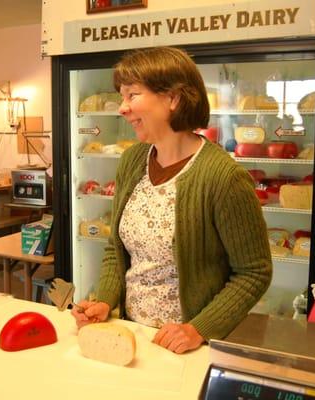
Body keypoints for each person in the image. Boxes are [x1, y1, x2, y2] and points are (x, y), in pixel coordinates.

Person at [71, 46, 272, 354]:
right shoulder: (132, 160)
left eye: (132, 95)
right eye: (121, 97)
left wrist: (198, 330)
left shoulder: (222, 177)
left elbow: (254, 272)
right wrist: (105, 300)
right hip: (131, 335)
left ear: (173, 99)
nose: (122, 108)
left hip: (187, 349)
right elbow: (116, 248)